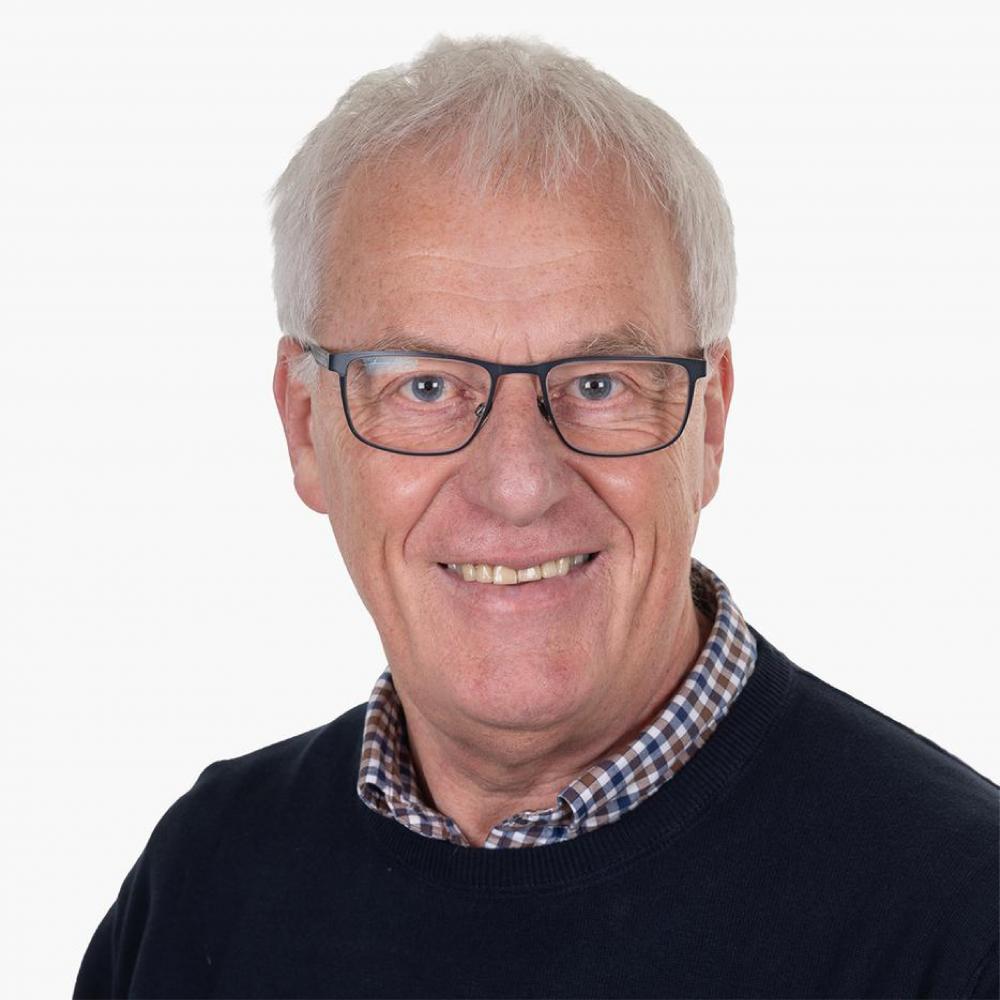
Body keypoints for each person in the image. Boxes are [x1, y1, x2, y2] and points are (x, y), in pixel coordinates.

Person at [74, 35, 1000, 999]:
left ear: (710, 423)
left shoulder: (963, 926)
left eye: (599, 383)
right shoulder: (204, 882)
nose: (518, 484)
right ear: (306, 426)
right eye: (425, 385)